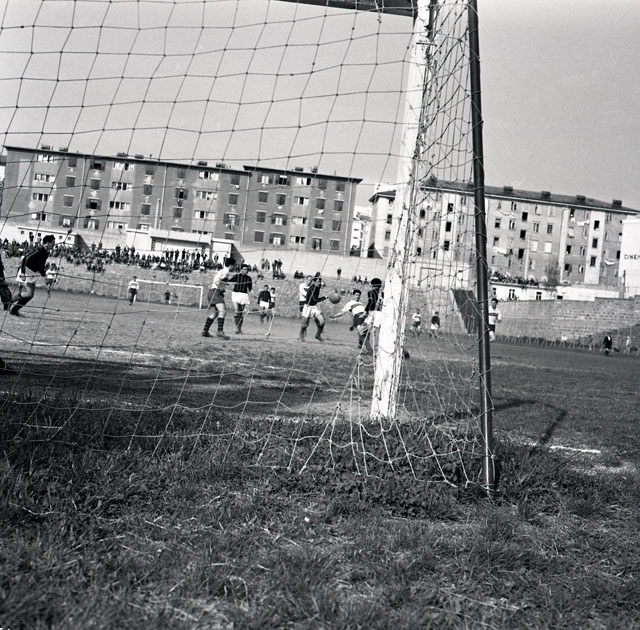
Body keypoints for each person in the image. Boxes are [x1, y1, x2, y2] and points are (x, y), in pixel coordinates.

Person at [9, 234, 56, 316]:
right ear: (47, 243)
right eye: (53, 243)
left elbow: (40, 266)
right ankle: (9, 301)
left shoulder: (46, 252)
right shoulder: (39, 250)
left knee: (30, 296)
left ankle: (14, 310)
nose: (54, 245)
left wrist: (44, 275)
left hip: (32, 273)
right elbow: (25, 259)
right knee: (28, 294)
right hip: (26, 271)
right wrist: (23, 273)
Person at [330, 288, 372, 354]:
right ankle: (369, 350)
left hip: (366, 317)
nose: (358, 296)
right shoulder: (349, 303)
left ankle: (360, 345)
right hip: (358, 317)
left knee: (366, 334)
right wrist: (334, 316)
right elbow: (342, 312)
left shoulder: (361, 303)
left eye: (359, 295)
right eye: (356, 295)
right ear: (353, 295)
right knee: (362, 334)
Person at [202, 257, 235, 339]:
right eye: (234, 265)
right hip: (215, 292)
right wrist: (221, 288)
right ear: (231, 265)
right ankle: (220, 331)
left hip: (212, 292)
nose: (234, 267)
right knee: (223, 311)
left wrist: (224, 285)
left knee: (214, 313)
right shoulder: (226, 271)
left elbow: (220, 280)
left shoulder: (223, 271)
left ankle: (205, 331)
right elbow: (216, 280)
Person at [299, 272, 327, 342]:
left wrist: (318, 275)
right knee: (305, 325)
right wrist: (324, 298)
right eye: (318, 282)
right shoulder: (312, 289)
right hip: (307, 307)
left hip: (314, 307)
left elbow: (323, 284)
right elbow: (314, 299)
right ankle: (301, 335)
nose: (319, 283)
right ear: (314, 282)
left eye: (320, 282)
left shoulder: (318, 286)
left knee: (322, 321)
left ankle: (318, 335)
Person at [230, 263, 253, 334]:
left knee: (241, 313)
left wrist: (252, 294)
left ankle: (239, 328)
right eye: (245, 269)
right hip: (236, 294)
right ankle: (237, 328)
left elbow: (250, 288)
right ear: (241, 270)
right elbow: (229, 281)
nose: (246, 271)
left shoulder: (248, 278)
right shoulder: (236, 276)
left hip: (244, 295)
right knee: (237, 311)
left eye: (247, 269)